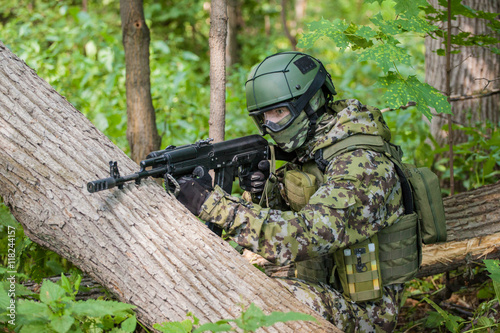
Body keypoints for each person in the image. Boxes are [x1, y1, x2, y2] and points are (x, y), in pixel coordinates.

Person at [177, 51, 420, 332]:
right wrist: (263, 191)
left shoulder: (361, 164)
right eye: (263, 117)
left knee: (260, 306)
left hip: (367, 313)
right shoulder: (315, 146)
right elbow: (299, 207)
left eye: (279, 113)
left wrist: (214, 206)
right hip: (323, 281)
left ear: (312, 103)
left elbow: (303, 235)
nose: (270, 125)